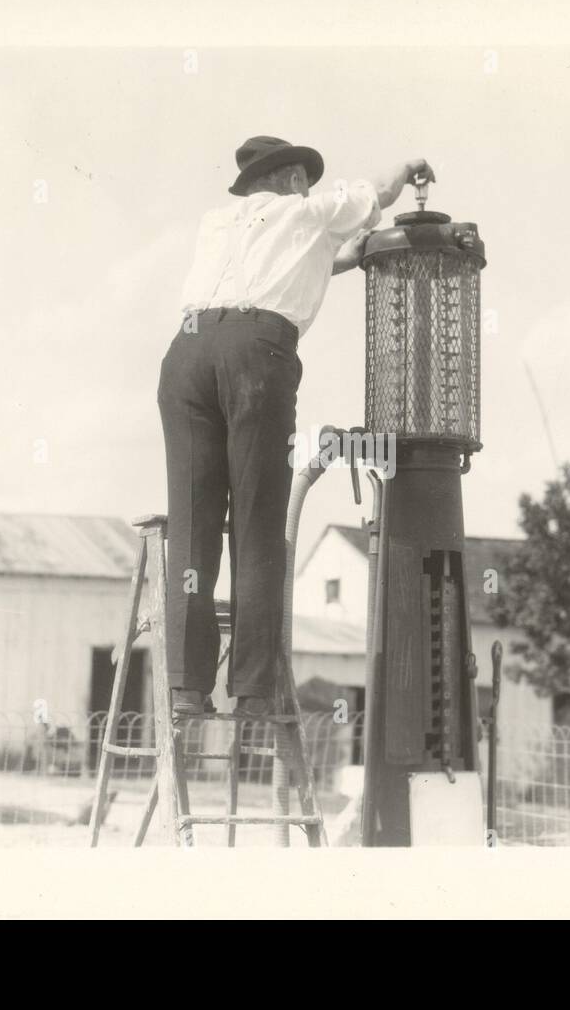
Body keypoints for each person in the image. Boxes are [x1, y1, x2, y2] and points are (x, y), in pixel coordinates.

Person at [159, 135, 434, 715]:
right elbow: (378, 194)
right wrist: (408, 164)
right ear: (290, 181)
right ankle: (253, 692)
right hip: (257, 354)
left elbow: (286, 267)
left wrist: (348, 255)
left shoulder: (219, 222)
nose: (307, 188)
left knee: (193, 525)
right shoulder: (308, 210)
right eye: (303, 180)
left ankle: (186, 686)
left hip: (185, 354)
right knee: (259, 525)